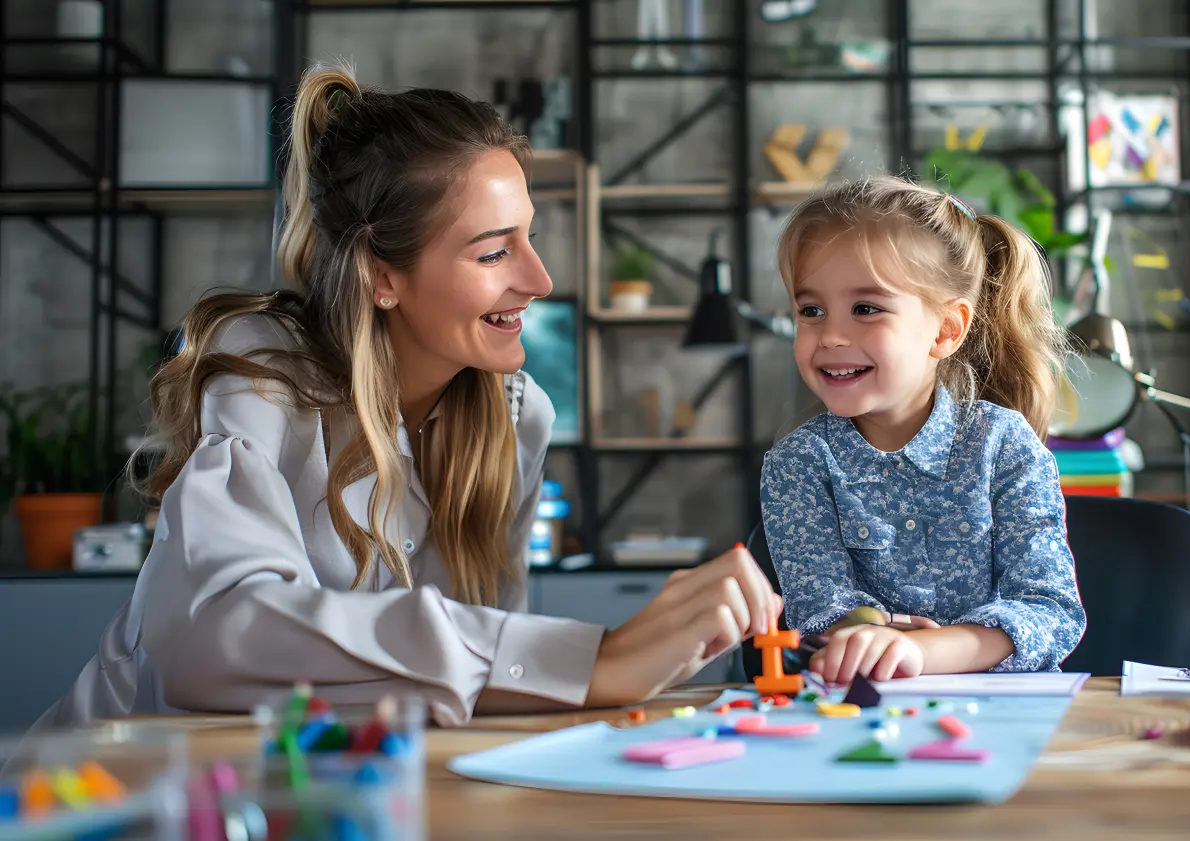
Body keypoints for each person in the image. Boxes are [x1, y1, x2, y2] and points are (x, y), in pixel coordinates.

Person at [33, 64, 779, 729]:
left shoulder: (515, 419)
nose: (540, 280)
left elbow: (461, 692)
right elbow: (215, 634)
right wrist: (590, 661)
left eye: (529, 237)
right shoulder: (260, 372)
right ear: (381, 277)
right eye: (494, 251)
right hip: (107, 789)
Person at [759, 177, 1085, 685]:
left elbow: (1050, 612)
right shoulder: (796, 465)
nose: (832, 336)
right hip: (861, 711)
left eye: (866, 309)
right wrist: (868, 634)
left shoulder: (1005, 446)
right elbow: (820, 612)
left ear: (946, 330)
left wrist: (922, 652)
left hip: (1010, 713)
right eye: (811, 311)